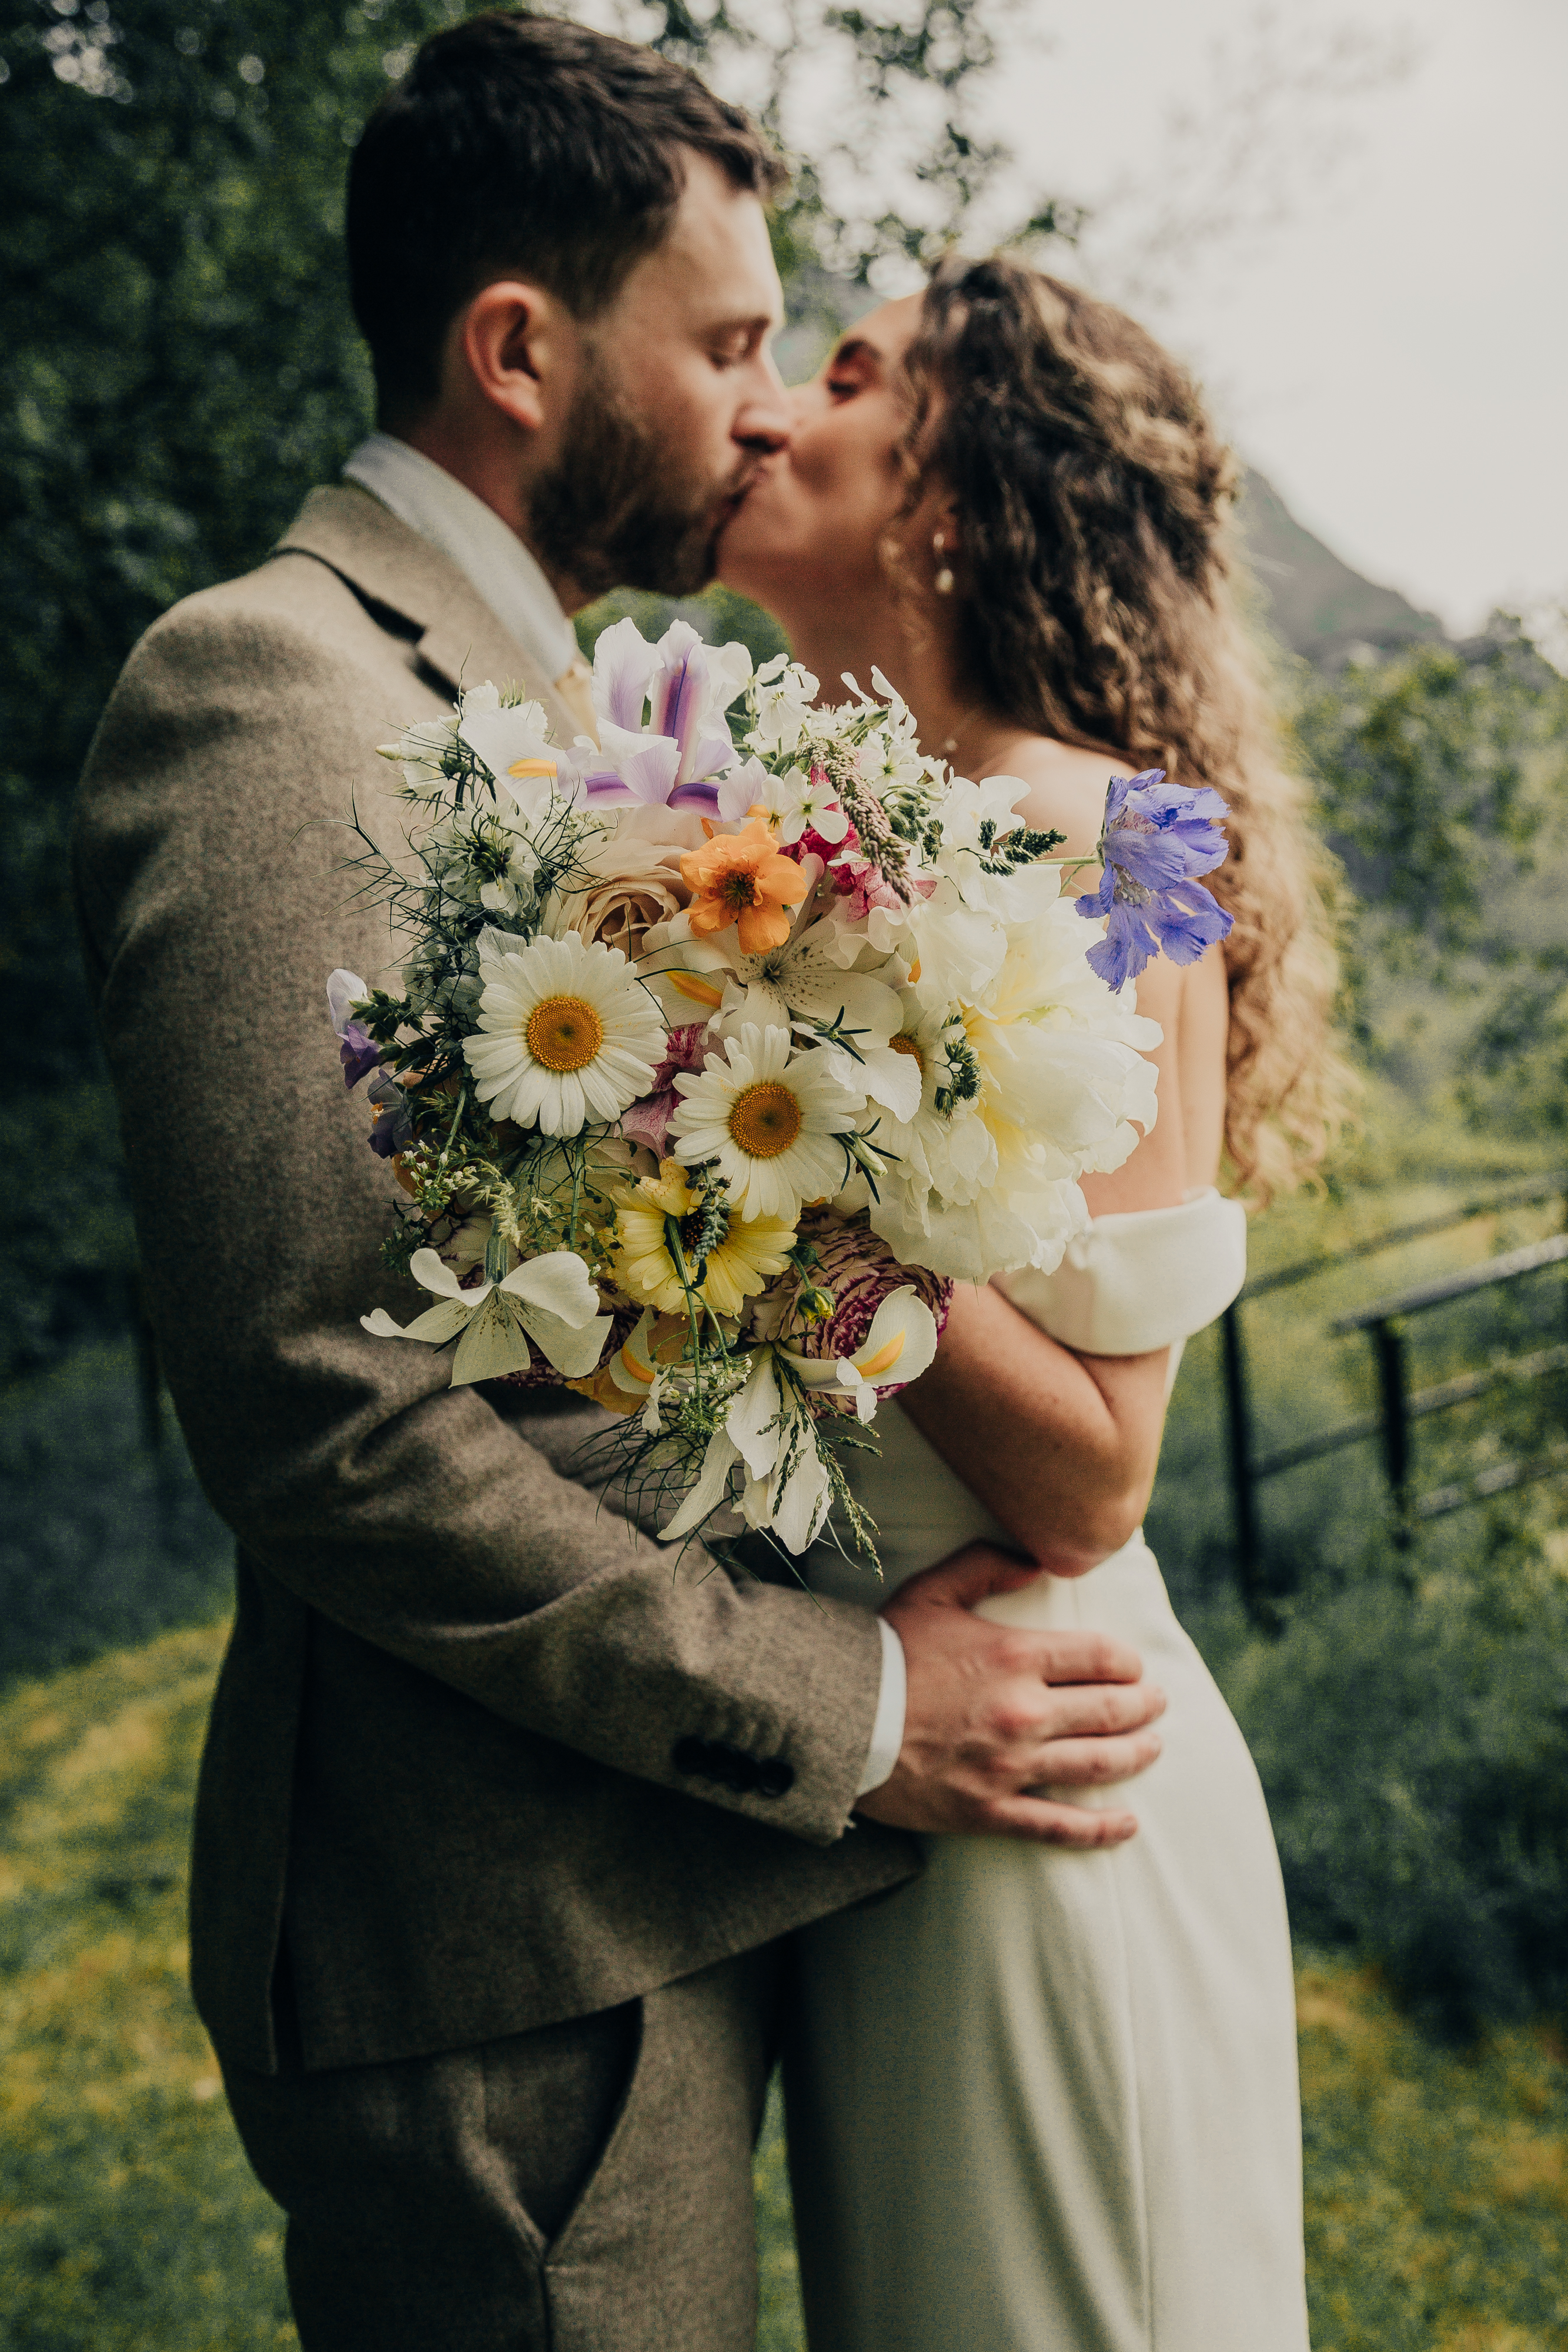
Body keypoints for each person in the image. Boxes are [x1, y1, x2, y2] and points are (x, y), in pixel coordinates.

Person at [69, 25, 1168, 2352]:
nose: (767, 406)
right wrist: (847, 1708)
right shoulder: (275, 692)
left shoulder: (557, 713)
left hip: (632, 1894)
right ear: (515, 349)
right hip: (497, 1942)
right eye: (736, 342)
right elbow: (318, 1400)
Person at [718, 255, 1349, 2350]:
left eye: (847, 374)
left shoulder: (1136, 841)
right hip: (902, 1774)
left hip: (1055, 1774)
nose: (771, 413)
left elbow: (1093, 1476)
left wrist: (747, 1177)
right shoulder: (765, 847)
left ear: (955, 492)